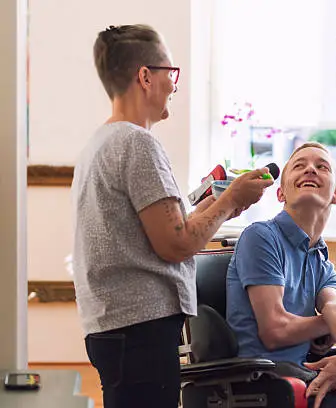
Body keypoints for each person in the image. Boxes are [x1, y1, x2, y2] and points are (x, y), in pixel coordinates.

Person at [71, 24, 273, 408]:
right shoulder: (137, 143)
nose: (175, 86)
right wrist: (229, 200)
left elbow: (156, 231)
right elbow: (177, 243)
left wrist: (216, 204)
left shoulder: (102, 141)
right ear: (145, 76)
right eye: (171, 74)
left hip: (116, 326)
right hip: (140, 331)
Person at [226, 142, 336, 408]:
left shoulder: (321, 262)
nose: (310, 170)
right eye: (299, 165)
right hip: (266, 380)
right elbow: (275, 330)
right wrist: (329, 322)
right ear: (281, 193)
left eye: (322, 167)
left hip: (304, 372)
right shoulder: (260, 237)